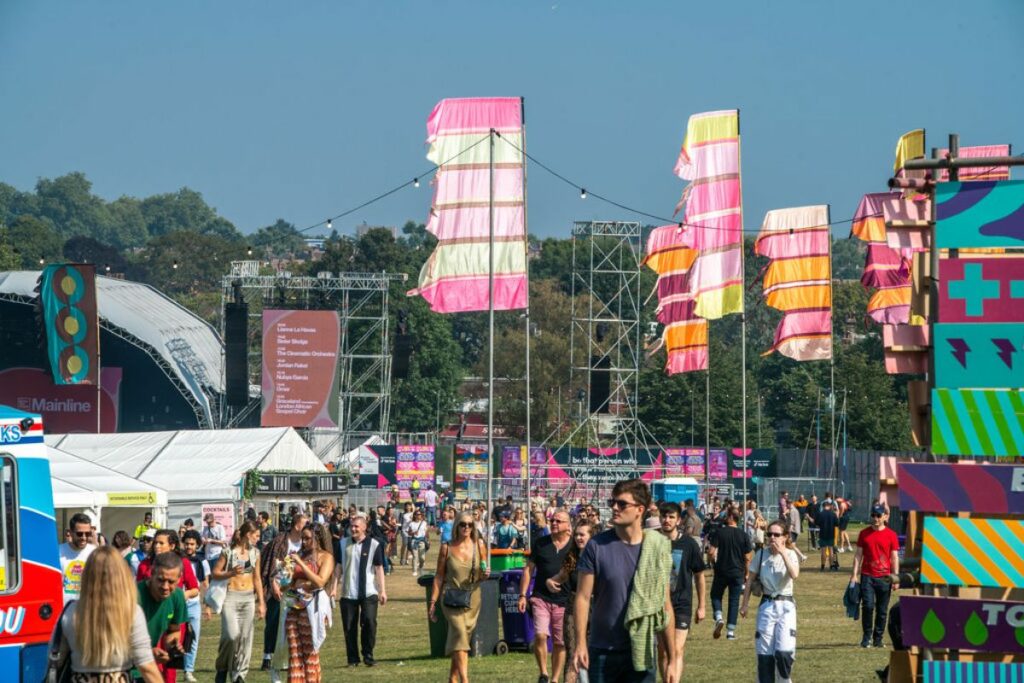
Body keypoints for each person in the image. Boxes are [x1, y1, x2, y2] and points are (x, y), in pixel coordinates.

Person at [573, 479, 677, 683]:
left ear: (640, 509)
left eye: (622, 504)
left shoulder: (656, 549)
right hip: (602, 650)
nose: (614, 507)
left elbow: (665, 606)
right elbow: (583, 598)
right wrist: (580, 643)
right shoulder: (596, 546)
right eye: (612, 502)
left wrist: (673, 658)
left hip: (641, 650)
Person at [49, 546, 164, 683]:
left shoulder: (70, 611)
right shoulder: (132, 612)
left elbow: (55, 660)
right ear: (122, 575)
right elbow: (147, 666)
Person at [429, 511, 491, 683]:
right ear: (456, 525)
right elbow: (439, 576)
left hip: (473, 597)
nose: (466, 527)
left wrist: (485, 574)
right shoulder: (446, 547)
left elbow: (483, 572)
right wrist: (433, 601)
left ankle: (453, 678)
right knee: (460, 634)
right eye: (463, 524)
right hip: (451, 597)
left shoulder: (479, 545)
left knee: (461, 639)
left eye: (470, 525)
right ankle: (465, 680)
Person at [272, 523, 335, 683]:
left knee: (309, 650)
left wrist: (300, 564)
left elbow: (320, 582)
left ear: (318, 538)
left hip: (312, 607)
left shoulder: (326, 557)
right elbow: (288, 583)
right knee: (294, 650)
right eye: (303, 538)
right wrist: (283, 578)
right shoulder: (299, 554)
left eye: (308, 538)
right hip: (293, 606)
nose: (304, 542)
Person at [740, 519, 800, 683]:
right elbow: (750, 580)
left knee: (784, 653)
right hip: (767, 605)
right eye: (769, 534)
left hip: (786, 605)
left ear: (785, 537)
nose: (772, 537)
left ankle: (784, 680)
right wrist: (744, 604)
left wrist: (782, 553)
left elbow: (794, 574)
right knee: (764, 654)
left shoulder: (792, 554)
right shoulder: (761, 555)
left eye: (776, 534)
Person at [519, 509, 571, 683]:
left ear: (567, 525)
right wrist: (522, 595)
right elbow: (528, 569)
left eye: (558, 521)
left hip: (564, 601)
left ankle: (555, 678)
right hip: (540, 597)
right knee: (540, 635)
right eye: (552, 520)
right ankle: (544, 674)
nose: (554, 523)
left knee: (559, 642)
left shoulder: (574, 546)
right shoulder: (541, 543)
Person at [212, 521, 266, 683]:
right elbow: (215, 573)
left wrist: (261, 602)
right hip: (231, 597)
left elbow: (257, 578)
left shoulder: (256, 553)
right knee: (231, 635)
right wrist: (230, 573)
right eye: (256, 536)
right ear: (247, 535)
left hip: (248, 598)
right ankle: (222, 667)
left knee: (245, 638)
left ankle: (239, 674)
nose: (258, 539)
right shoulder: (228, 552)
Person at [657, 502, 705, 682]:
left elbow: (700, 575)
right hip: (659, 604)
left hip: (682, 603)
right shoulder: (653, 541)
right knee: (662, 651)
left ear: (678, 520)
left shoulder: (688, 544)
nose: (666, 520)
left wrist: (702, 606)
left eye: (671, 517)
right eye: (664, 516)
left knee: (676, 649)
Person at [546, 520, 596, 683]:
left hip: (597, 608)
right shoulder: (572, 556)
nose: (578, 538)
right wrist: (550, 581)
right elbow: (560, 576)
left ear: (592, 536)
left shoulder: (600, 556)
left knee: (594, 656)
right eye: (576, 534)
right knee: (573, 655)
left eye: (583, 535)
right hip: (574, 608)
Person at [258, 511, 307, 673]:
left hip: (298, 589)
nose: (306, 528)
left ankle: (289, 658)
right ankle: (267, 656)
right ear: (296, 525)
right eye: (304, 524)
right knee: (272, 622)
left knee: (292, 625)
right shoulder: (280, 540)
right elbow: (270, 561)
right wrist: (273, 583)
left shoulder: (306, 544)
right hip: (278, 587)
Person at [337, 514, 388, 667]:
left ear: (364, 527)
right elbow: (338, 567)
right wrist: (333, 588)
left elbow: (379, 568)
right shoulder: (342, 544)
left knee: (369, 622)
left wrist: (382, 591)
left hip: (368, 592)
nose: (353, 529)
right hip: (347, 593)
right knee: (349, 626)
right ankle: (352, 659)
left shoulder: (374, 544)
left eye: (356, 526)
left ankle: (368, 655)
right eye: (351, 526)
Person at [851, 504, 900, 648]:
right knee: (867, 606)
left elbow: (894, 557)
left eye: (878, 515)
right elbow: (858, 555)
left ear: (885, 516)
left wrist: (896, 577)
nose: (875, 518)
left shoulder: (891, 535)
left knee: (882, 610)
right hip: (867, 576)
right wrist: (854, 575)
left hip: (885, 577)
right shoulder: (864, 533)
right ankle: (866, 638)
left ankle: (878, 638)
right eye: (873, 515)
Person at [137, 552, 188, 683]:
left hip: (146, 667)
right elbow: (117, 639)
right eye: (160, 580)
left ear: (179, 578)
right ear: (151, 573)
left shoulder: (177, 597)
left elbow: (174, 629)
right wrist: (148, 652)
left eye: (171, 582)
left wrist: (173, 646)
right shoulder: (133, 596)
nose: (165, 587)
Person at [707, 507, 751, 640]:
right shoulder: (743, 535)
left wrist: (711, 563)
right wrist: (747, 573)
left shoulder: (719, 532)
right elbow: (748, 557)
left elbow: (711, 552)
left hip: (721, 570)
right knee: (734, 600)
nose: (725, 516)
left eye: (727, 514)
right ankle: (730, 632)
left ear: (731, 517)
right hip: (737, 572)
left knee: (715, 594)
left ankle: (719, 617)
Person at [181, 531, 210, 683]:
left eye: (192, 544)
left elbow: (205, 583)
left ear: (197, 545)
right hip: (178, 604)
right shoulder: (177, 559)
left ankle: (188, 671)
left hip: (194, 604)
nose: (189, 546)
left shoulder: (202, 561)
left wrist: (207, 605)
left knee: (193, 639)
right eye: (186, 543)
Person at [60, 512, 97, 605]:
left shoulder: (95, 553)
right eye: (80, 534)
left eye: (87, 533)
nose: (84, 537)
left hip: (87, 608)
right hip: (63, 608)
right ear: (71, 533)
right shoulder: (58, 552)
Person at [816, 499, 840, 571]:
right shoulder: (833, 514)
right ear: (829, 506)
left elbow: (817, 524)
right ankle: (831, 565)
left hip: (822, 534)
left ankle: (822, 566)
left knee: (823, 551)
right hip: (831, 534)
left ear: (823, 506)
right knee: (831, 551)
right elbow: (837, 524)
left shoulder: (820, 514)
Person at [405, 508, 429, 577]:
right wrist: (413, 533)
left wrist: (428, 540)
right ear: (415, 515)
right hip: (414, 541)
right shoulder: (411, 524)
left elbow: (426, 532)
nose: (419, 515)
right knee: (415, 557)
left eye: (420, 514)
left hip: (422, 541)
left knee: (422, 558)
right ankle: (414, 570)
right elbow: (409, 533)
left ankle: (421, 567)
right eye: (418, 514)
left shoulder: (424, 523)